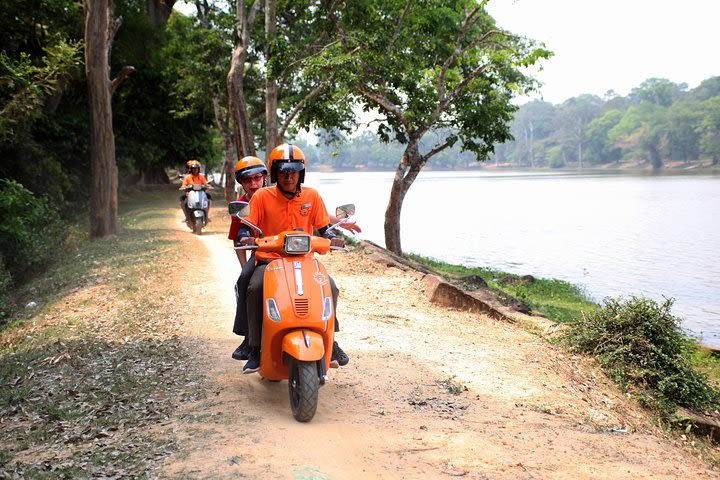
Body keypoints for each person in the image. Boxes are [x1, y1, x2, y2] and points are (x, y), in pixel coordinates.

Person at [237, 144, 348, 374]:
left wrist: (332, 236)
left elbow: (324, 227)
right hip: (270, 259)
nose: (289, 177)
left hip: (305, 260)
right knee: (256, 287)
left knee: (331, 287)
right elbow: (246, 226)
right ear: (275, 173)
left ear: (301, 173)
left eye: (294, 171)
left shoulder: (312, 196)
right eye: (284, 172)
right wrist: (246, 236)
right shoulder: (261, 197)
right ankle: (255, 347)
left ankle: (331, 341)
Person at [228, 156, 269, 361]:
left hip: (290, 254)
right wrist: (246, 266)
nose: (253, 183)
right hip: (261, 255)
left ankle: (330, 340)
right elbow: (239, 239)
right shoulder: (241, 206)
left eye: (257, 178)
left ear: (264, 178)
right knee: (245, 281)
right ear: (241, 183)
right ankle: (247, 337)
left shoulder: (277, 195)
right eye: (247, 180)